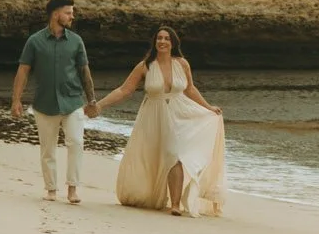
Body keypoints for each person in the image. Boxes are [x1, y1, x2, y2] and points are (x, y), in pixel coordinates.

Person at [94, 27, 225, 217]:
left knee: (175, 154)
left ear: (173, 43)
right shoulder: (145, 66)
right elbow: (124, 90)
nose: (162, 42)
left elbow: (190, 89)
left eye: (166, 39)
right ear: (155, 42)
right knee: (154, 156)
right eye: (159, 38)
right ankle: (156, 195)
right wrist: (99, 105)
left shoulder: (182, 63)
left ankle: (175, 204)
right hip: (153, 115)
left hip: (180, 114)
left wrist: (208, 107)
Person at [10, 0, 95, 203]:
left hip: (73, 101)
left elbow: (84, 71)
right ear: (56, 14)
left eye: (72, 12)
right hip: (44, 103)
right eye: (68, 12)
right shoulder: (35, 41)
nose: (72, 16)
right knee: (47, 149)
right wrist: (16, 100)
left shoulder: (76, 41)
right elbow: (23, 71)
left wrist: (91, 100)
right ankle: (51, 189)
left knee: (76, 142)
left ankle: (72, 189)